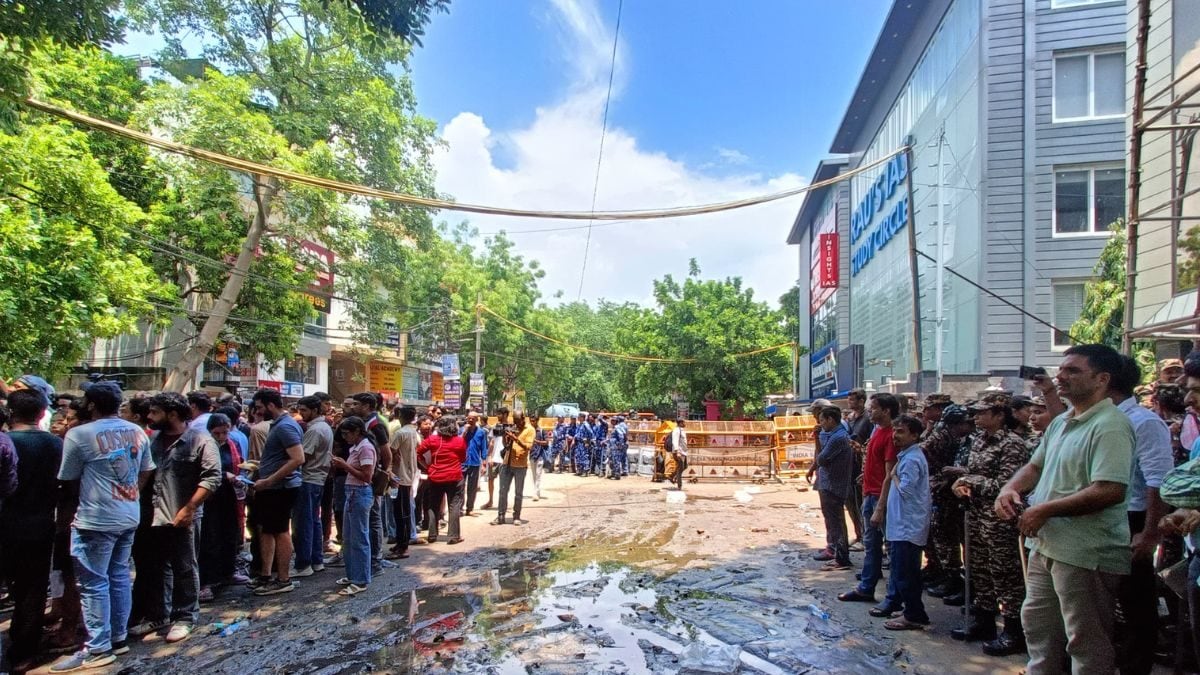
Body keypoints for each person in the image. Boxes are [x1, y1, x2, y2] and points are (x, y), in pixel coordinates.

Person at [995, 344, 1136, 675]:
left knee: (1085, 641)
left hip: (1086, 550)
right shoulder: (1061, 423)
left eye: (1073, 371)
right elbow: (1034, 466)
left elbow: (1109, 490)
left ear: (1102, 379)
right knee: (1039, 629)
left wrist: (1044, 510)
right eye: (1061, 369)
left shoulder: (1111, 425)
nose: (1061, 376)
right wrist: (1010, 488)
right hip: (1047, 545)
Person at [50, 382, 154, 673]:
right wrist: (130, 491)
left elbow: (68, 477)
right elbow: (147, 468)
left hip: (95, 518)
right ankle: (117, 638)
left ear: (92, 405)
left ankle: (98, 647)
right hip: (128, 514)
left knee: (94, 583)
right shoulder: (136, 431)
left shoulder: (79, 434)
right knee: (118, 575)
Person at [129, 392, 220, 645]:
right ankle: (158, 614)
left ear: (172, 414)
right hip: (151, 515)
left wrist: (189, 508)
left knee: (184, 567)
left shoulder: (200, 440)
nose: (149, 417)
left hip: (182, 516)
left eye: (155, 412)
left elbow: (212, 478)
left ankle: (186, 616)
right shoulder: (153, 440)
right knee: (152, 567)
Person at [949, 398, 1031, 655]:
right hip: (976, 515)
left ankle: (1013, 631)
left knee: (1005, 575)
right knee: (979, 569)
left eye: (981, 413)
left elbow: (1007, 485)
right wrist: (963, 483)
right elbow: (974, 474)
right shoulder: (979, 440)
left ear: (999, 415)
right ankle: (984, 623)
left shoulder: (1012, 444)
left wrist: (969, 480)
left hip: (1000, 521)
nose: (975, 417)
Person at [1110, 355, 1174, 675]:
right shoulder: (1097, 420)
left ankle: (1136, 666)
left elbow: (1158, 481)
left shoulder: (1143, 422)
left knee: (1136, 602)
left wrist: (1149, 533)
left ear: (1103, 379)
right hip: (1105, 519)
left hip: (1133, 519)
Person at [1, 389, 62, 671]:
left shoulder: (5, 442)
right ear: (41, 414)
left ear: (10, 413)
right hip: (39, 526)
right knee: (32, 590)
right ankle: (24, 652)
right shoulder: (56, 444)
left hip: (7, 523)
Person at [838, 392, 899, 605]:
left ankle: (894, 598)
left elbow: (890, 474)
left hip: (880, 498)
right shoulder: (877, 431)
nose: (870, 412)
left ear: (886, 411)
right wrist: (866, 475)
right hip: (869, 493)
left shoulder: (892, 435)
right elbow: (876, 462)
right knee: (871, 545)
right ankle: (867, 586)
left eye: (874, 408)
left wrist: (881, 505)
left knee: (892, 549)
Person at [248, 388, 304, 596]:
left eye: (261, 407)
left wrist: (270, 479)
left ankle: (283, 579)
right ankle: (266, 575)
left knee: (280, 531)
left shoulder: (285, 426)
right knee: (268, 530)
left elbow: (298, 459)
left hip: (279, 488)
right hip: (272, 486)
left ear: (271, 405)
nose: (258, 411)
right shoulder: (280, 425)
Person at [879, 415, 932, 631]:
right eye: (895, 431)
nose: (895, 436)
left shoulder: (910, 460)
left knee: (905, 573)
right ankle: (911, 610)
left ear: (914, 435)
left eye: (901, 432)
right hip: (904, 524)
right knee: (905, 571)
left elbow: (907, 491)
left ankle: (913, 614)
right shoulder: (907, 456)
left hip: (908, 526)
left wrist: (894, 476)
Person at [924, 404, 973, 601]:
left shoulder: (970, 441)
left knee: (953, 540)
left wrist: (955, 472)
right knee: (943, 537)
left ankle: (958, 581)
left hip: (958, 497)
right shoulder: (950, 436)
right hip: (946, 492)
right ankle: (948, 576)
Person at [198, 414, 246, 603]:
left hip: (229, 496)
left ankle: (227, 572)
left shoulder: (231, 445)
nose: (221, 437)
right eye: (217, 433)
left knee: (229, 535)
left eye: (224, 432)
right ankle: (206, 582)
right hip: (210, 498)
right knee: (210, 539)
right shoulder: (203, 446)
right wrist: (222, 474)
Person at [329, 416, 374, 596]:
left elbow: (366, 476)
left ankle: (360, 579)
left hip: (360, 493)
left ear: (357, 431)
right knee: (348, 538)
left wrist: (344, 466)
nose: (345, 437)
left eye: (347, 433)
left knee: (359, 538)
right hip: (352, 493)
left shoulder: (365, 448)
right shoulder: (356, 447)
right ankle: (353, 574)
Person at [808, 406, 853, 571]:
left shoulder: (838, 438)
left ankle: (841, 556)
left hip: (834, 484)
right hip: (829, 482)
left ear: (830, 420)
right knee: (832, 520)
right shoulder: (834, 435)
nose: (820, 424)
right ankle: (834, 548)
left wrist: (816, 439)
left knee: (837, 521)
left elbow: (821, 458)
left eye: (822, 421)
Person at [292, 396, 333, 578]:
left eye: (305, 410)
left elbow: (304, 457)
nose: (301, 414)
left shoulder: (315, 429)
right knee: (313, 521)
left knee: (304, 523)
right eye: (300, 410)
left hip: (309, 478)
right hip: (317, 479)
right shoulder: (322, 427)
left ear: (315, 410)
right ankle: (316, 560)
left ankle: (304, 563)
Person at [419, 418, 466, 544]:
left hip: (435, 476)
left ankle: (432, 535)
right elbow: (462, 458)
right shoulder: (459, 441)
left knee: (433, 506)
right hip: (454, 476)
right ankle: (453, 536)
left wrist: (427, 467)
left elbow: (418, 453)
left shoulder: (432, 440)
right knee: (454, 505)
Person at [387, 406, 418, 559]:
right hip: (407, 476)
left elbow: (390, 450)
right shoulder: (413, 432)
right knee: (402, 510)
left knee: (400, 512)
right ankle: (401, 542)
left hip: (399, 477)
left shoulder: (401, 433)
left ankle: (402, 545)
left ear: (400, 416)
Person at [494, 412, 533, 525]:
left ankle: (516, 516)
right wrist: (505, 437)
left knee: (518, 492)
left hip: (520, 465)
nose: (516, 424)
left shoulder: (530, 430)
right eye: (514, 422)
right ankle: (501, 516)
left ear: (523, 419)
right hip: (507, 462)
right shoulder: (513, 427)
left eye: (518, 421)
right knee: (502, 491)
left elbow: (528, 447)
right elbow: (506, 445)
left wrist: (515, 439)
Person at [845, 388, 871, 548]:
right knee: (851, 502)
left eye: (853, 400)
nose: (850, 403)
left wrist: (860, 448)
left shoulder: (868, 419)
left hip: (862, 464)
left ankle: (865, 537)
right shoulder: (849, 418)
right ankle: (858, 533)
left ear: (861, 401)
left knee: (862, 502)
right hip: (850, 464)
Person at [461, 412, 488, 516]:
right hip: (463, 462)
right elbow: (458, 441)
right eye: (469, 418)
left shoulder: (481, 432)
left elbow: (483, 448)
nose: (470, 420)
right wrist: (465, 431)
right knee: (460, 487)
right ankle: (459, 508)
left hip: (475, 463)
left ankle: (469, 508)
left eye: (473, 418)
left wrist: (484, 463)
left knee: (472, 488)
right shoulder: (462, 430)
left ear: (477, 419)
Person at [485, 407, 511, 508]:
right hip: (494, 459)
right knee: (491, 480)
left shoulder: (511, 427)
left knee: (503, 483)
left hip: (505, 460)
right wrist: (490, 457)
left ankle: (503, 503)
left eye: (499, 414)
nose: (497, 416)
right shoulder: (496, 427)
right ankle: (490, 500)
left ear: (505, 415)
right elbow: (491, 443)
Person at [529, 415, 550, 499]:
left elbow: (547, 442)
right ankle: (537, 491)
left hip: (540, 455)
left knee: (538, 474)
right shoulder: (529, 431)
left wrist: (537, 441)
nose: (532, 422)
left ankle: (535, 493)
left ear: (537, 421)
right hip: (532, 455)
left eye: (533, 421)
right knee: (534, 475)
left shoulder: (541, 431)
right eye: (531, 420)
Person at [668, 418, 688, 490]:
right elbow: (675, 441)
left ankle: (672, 476)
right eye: (684, 422)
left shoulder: (682, 430)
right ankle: (679, 485)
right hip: (679, 452)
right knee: (680, 468)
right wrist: (677, 452)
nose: (685, 424)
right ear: (680, 423)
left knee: (685, 466)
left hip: (683, 452)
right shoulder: (677, 430)